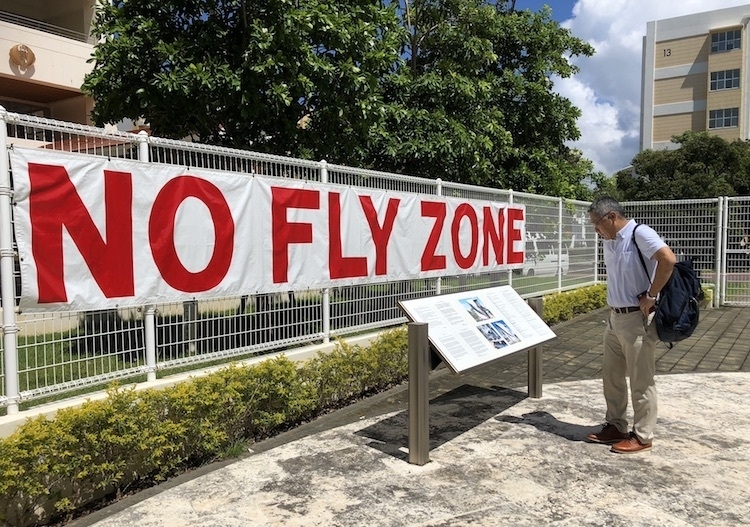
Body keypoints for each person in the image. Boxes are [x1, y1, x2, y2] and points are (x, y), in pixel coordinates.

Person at [585, 196, 676, 454]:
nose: (596, 229)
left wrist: (652, 295)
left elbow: (668, 259)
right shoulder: (610, 241)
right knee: (611, 376)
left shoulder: (640, 233)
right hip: (615, 319)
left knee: (641, 379)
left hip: (637, 318)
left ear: (612, 217)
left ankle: (643, 435)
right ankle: (616, 425)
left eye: (597, 223)